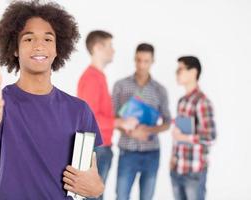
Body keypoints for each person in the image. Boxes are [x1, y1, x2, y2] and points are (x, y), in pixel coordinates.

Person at [0, 1, 104, 199]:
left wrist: (97, 189)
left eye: (47, 39)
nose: (39, 46)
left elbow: (90, 178)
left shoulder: (79, 110)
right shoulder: (0, 102)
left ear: (57, 48)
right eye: (28, 39)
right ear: (15, 48)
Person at [113, 43, 171, 200]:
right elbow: (112, 117)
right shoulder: (121, 85)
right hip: (127, 151)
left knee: (147, 197)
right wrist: (129, 130)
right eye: (138, 60)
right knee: (121, 196)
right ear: (134, 59)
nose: (141, 65)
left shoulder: (160, 90)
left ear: (153, 61)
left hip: (151, 153)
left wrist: (149, 130)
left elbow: (167, 121)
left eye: (146, 61)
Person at [170, 56, 216, 200]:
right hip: (177, 168)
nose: (176, 73)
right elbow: (179, 133)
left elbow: (210, 137)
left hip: (194, 171)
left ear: (193, 72)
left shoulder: (202, 102)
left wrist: (184, 138)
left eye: (180, 69)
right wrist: (172, 157)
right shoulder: (182, 101)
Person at [77, 30, 115, 200]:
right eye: (110, 46)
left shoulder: (99, 76)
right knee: (93, 197)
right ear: (98, 47)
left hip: (100, 147)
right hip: (96, 148)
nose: (113, 50)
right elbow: (91, 120)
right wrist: (121, 122)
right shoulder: (92, 78)